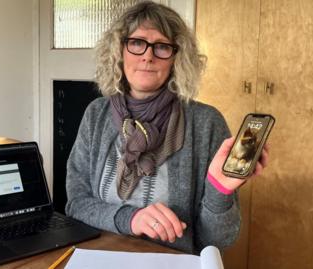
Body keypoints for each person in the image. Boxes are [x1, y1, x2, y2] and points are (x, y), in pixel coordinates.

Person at [65, 1, 269, 254]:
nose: (147, 56)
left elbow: (218, 241)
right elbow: (76, 204)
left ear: (176, 58)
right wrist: (130, 218)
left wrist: (221, 190)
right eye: (137, 43)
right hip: (98, 257)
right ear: (119, 51)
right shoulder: (96, 114)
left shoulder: (206, 123)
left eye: (161, 46)